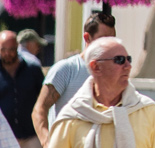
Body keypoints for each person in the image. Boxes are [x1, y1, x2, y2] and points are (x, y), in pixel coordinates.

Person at [33, 10, 117, 138]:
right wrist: (46, 142)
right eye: (103, 40)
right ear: (87, 38)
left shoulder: (115, 73)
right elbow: (40, 110)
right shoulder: (67, 69)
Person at [0, 30, 47, 148]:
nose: (7, 53)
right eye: (3, 49)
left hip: (31, 136)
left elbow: (44, 100)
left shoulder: (33, 71)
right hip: (4, 140)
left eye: (11, 49)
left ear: (17, 47)